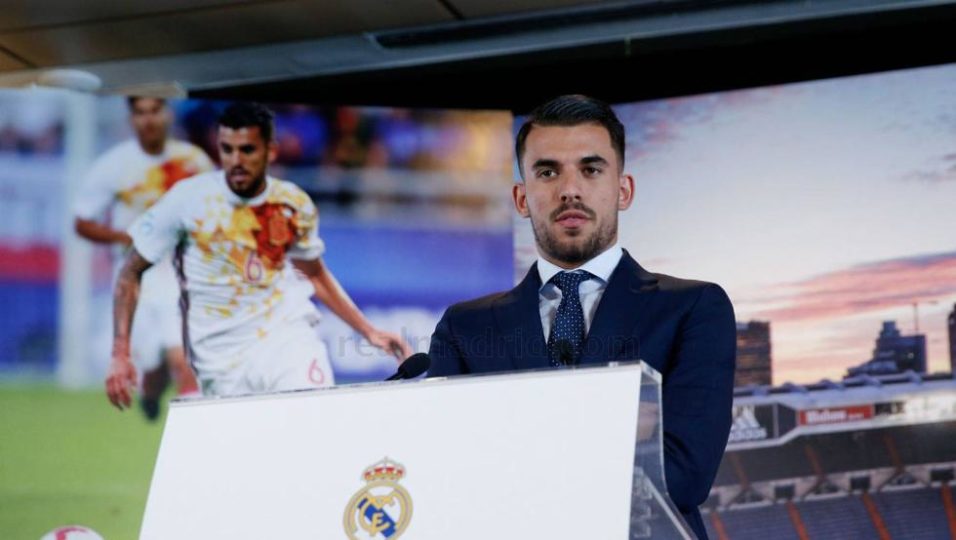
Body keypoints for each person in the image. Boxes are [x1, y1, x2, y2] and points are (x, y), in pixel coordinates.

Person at [428, 95, 736, 539]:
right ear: (521, 197)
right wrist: (629, 426)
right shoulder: (464, 327)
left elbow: (682, 478)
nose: (569, 189)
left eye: (590, 170)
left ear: (623, 190)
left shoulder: (694, 308)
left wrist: (513, 441)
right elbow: (452, 475)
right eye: (547, 172)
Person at [106, 102, 412, 404]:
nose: (236, 160)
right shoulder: (188, 200)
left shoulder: (292, 203)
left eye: (247, 150)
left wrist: (368, 331)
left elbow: (314, 274)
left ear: (270, 151)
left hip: (286, 339)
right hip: (220, 359)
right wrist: (120, 354)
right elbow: (130, 271)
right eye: (227, 149)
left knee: (314, 421)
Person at [74, 97, 214, 420]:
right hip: (135, 275)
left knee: (185, 360)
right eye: (140, 113)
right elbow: (82, 222)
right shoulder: (114, 165)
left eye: (155, 111)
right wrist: (127, 239)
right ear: (131, 118)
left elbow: (214, 211)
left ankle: (192, 433)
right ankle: (152, 390)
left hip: (180, 273)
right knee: (152, 364)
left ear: (168, 113)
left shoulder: (194, 161)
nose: (148, 120)